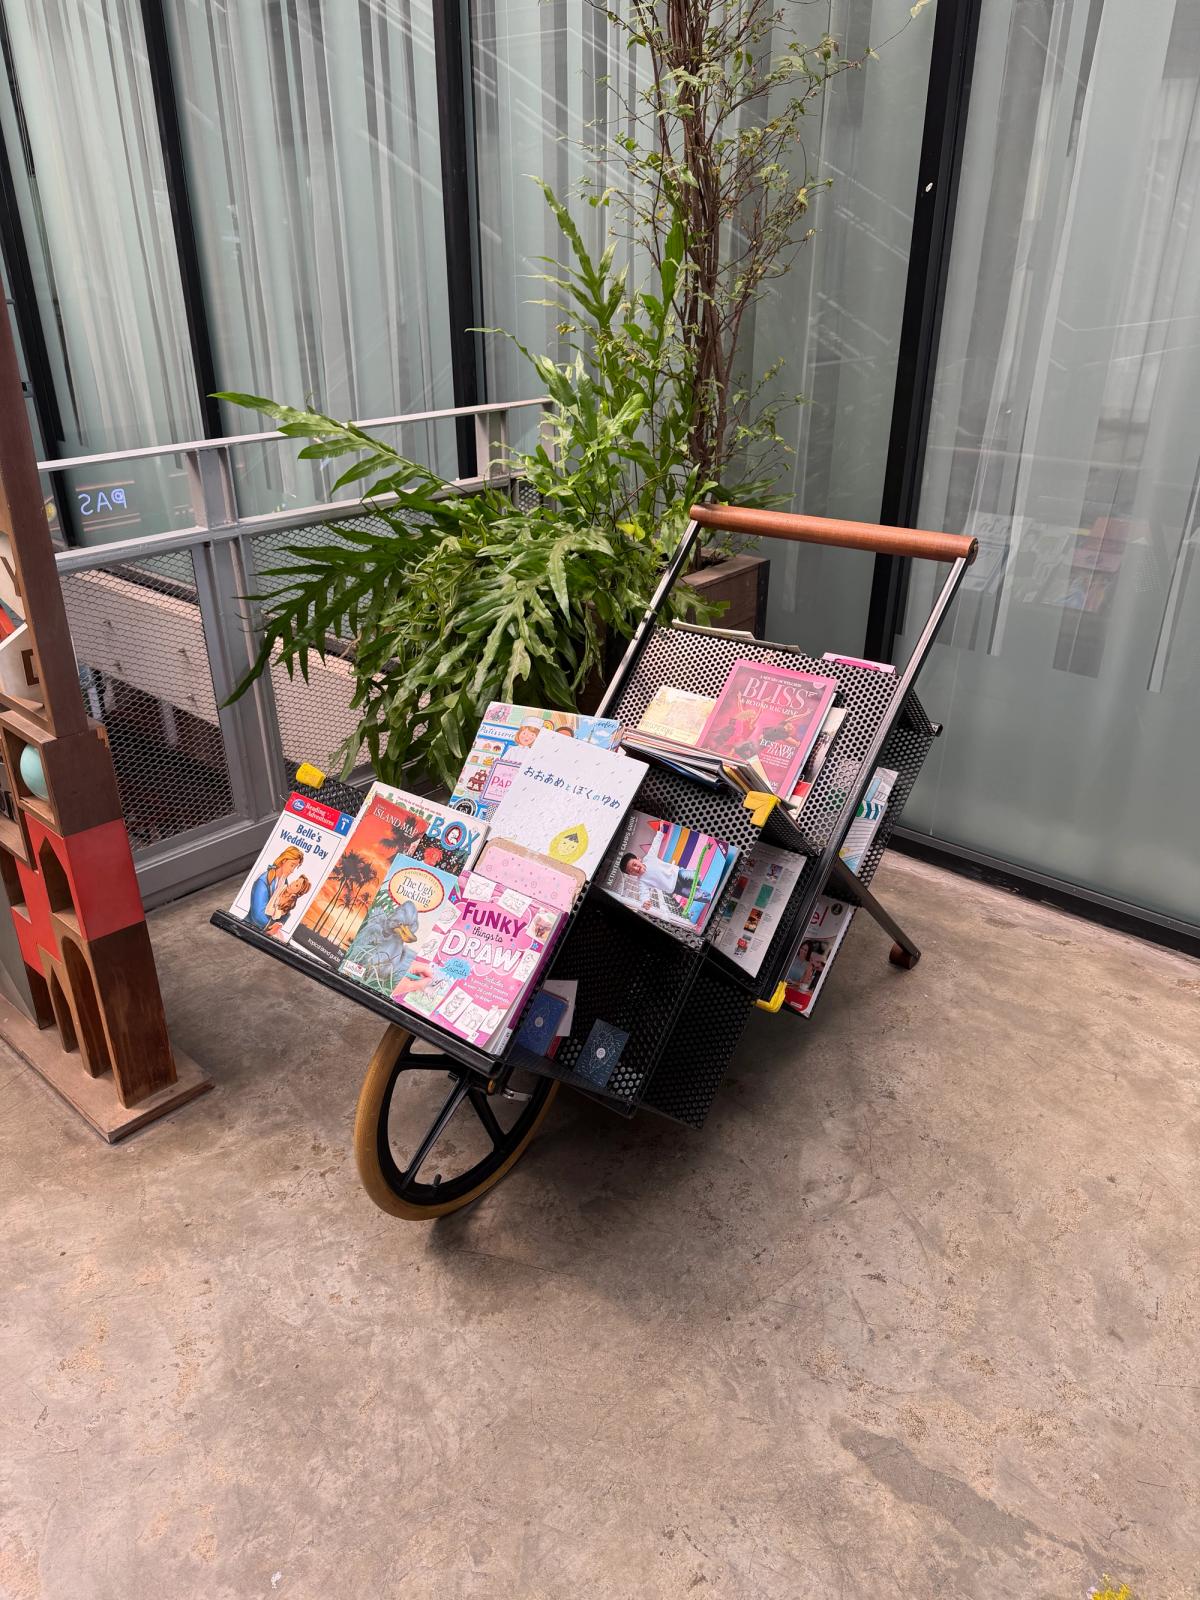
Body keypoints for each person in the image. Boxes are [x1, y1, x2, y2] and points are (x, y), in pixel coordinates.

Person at [247, 845, 303, 932]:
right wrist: (274, 926)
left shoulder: (284, 881)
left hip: (267, 931)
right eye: (292, 865)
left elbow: (286, 910)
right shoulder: (263, 881)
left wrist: (280, 923)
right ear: (284, 860)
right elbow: (257, 915)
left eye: (295, 867)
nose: (292, 870)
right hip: (251, 928)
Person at [619, 848, 697, 902]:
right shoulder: (641, 881)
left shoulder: (649, 858)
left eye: (634, 864)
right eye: (631, 871)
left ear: (638, 859)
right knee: (696, 895)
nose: (635, 869)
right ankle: (707, 897)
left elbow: (655, 845)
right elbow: (643, 893)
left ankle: (699, 880)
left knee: (693, 876)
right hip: (674, 887)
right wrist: (645, 901)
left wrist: (660, 832)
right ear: (630, 874)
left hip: (677, 873)